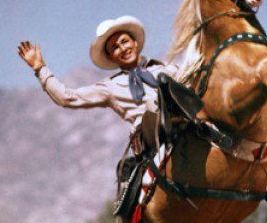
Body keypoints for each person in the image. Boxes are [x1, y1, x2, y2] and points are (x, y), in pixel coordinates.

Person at [17, 16, 177, 155]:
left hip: (181, 120)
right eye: (115, 47)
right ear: (110, 57)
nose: (123, 49)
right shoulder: (111, 87)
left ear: (134, 43)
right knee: (152, 104)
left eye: (125, 42)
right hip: (152, 136)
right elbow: (67, 97)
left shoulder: (166, 69)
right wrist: (40, 68)